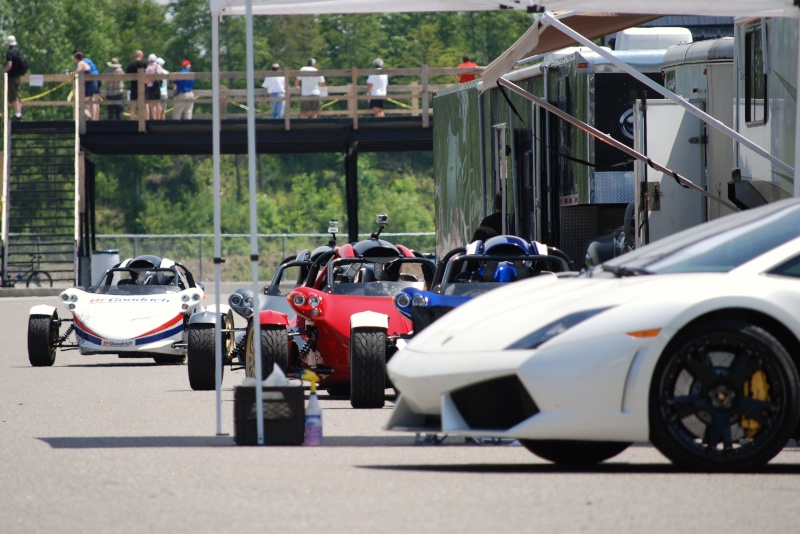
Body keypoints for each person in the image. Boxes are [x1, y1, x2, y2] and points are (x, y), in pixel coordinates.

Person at [73, 51, 100, 120]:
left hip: (90, 83)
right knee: (92, 100)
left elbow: (78, 71)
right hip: (93, 81)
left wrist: (71, 73)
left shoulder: (80, 63)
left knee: (87, 100)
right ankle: (94, 118)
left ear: (76, 58)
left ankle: (91, 117)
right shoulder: (86, 61)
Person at [4, 36, 23, 120]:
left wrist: (3, 72)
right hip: (18, 76)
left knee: (13, 95)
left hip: (11, 77)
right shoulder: (18, 51)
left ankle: (17, 114)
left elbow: (9, 65)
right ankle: (19, 113)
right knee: (18, 95)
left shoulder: (10, 52)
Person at [125, 50, 147, 119]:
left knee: (133, 104)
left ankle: (132, 119)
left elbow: (127, 75)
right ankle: (145, 119)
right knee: (144, 104)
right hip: (143, 86)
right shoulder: (144, 64)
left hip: (133, 85)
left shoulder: (131, 65)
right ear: (141, 56)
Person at [144, 54, 163, 120]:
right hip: (157, 86)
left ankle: (154, 119)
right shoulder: (159, 66)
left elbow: (145, 80)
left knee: (152, 105)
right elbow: (162, 75)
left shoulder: (148, 68)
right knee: (158, 104)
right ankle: (159, 118)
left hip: (150, 87)